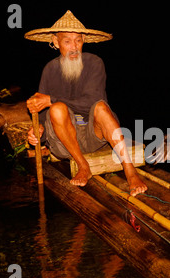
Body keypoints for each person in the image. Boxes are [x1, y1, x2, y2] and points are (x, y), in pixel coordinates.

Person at [24, 10, 147, 195]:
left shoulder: (95, 63)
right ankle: (83, 166)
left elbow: (91, 101)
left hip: (94, 138)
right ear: (56, 42)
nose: (74, 47)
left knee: (100, 107)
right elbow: (42, 119)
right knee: (56, 110)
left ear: (84, 41)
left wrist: (50, 100)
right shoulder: (49, 70)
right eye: (67, 41)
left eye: (78, 40)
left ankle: (130, 171)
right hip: (64, 144)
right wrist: (38, 133)